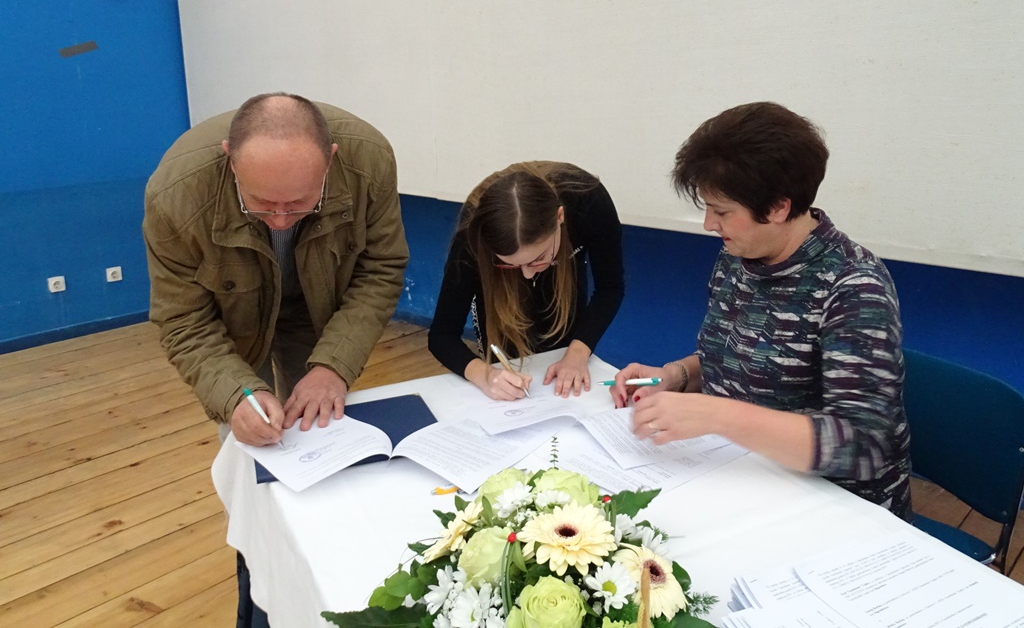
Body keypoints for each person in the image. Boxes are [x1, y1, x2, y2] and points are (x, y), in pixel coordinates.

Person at [143, 92, 408, 626]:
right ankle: (261, 584)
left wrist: (333, 366)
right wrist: (236, 394)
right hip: (234, 319)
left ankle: (331, 579)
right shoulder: (176, 194)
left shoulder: (370, 160)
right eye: (262, 204)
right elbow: (183, 320)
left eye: (300, 203)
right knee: (252, 445)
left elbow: (380, 268)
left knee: (324, 436)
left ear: (331, 160)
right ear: (229, 161)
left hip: (321, 308)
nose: (282, 222)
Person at [612, 102, 912, 521]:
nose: (708, 224)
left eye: (721, 211)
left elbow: (864, 445)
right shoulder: (738, 256)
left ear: (777, 208)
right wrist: (676, 376)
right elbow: (739, 361)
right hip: (745, 477)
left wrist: (716, 414)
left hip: (836, 509)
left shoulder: (853, 285)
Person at [429, 161, 625, 400]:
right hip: (502, 308)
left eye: (537, 259)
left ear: (560, 217)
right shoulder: (474, 233)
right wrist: (485, 375)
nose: (527, 274)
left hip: (564, 293)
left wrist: (577, 353)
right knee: (507, 378)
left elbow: (610, 288)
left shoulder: (588, 202)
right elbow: (442, 335)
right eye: (509, 264)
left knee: (562, 368)